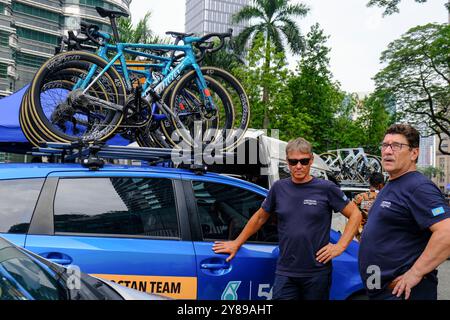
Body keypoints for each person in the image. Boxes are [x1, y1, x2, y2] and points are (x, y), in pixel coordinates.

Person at [212, 137, 362, 300]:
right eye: (293, 161)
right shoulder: (279, 188)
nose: (298, 166)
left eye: (304, 161)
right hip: (285, 272)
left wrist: (340, 246)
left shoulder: (326, 188)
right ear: (287, 161)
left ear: (311, 160)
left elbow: (355, 214)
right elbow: (260, 218)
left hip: (317, 273)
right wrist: (236, 242)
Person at [359, 124, 450, 300]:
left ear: (414, 153)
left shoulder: (419, 187)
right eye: (385, 145)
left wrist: (415, 273)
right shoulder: (392, 183)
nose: (387, 151)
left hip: (402, 293)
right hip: (380, 289)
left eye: (396, 146)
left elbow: (447, 232)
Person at [352, 172, 385, 241]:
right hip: (382, 236)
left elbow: (351, 215)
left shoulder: (359, 198)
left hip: (363, 236)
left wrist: (358, 233)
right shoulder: (387, 198)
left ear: (370, 183)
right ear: (381, 184)